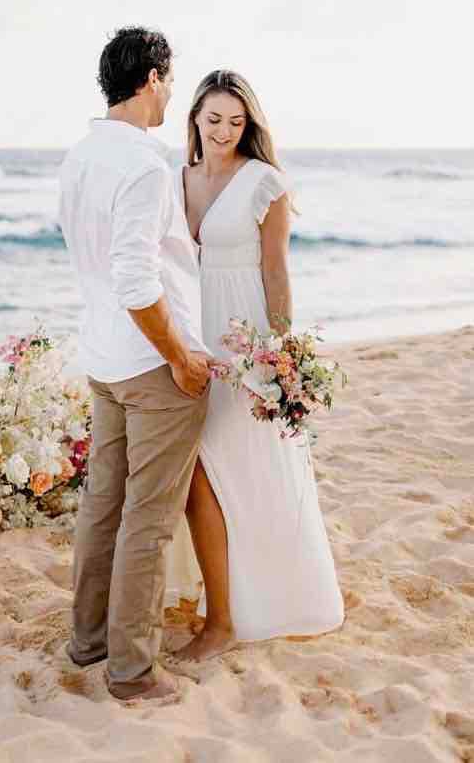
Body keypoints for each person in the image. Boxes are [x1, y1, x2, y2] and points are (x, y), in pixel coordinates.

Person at [58, 26, 221, 702]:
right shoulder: (147, 165)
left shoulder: (80, 156)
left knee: (104, 505)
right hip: (152, 364)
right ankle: (131, 671)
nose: (172, 94)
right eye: (170, 81)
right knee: (149, 519)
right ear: (152, 79)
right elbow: (135, 279)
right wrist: (180, 357)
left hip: (104, 356)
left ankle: (89, 640)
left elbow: (88, 257)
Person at [167, 70, 344, 661]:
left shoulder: (265, 182)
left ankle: (227, 619)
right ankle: (217, 602)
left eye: (236, 122)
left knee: (241, 469)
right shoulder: (176, 178)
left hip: (243, 343)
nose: (223, 131)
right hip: (188, 337)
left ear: (250, 126)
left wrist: (280, 356)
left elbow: (276, 271)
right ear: (195, 118)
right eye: (214, 119)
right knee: (195, 470)